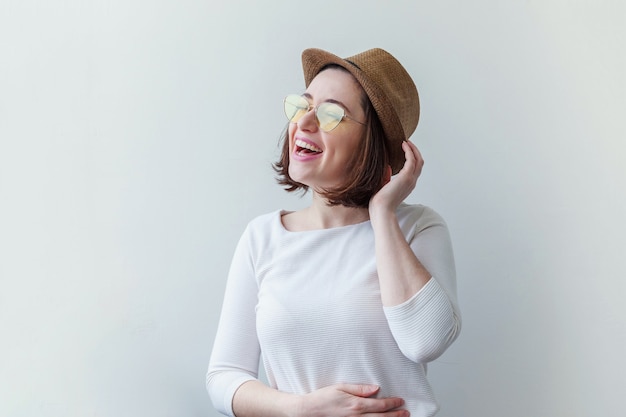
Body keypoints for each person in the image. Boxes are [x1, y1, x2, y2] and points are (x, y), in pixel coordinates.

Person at [206, 47, 461, 417]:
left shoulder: (418, 228)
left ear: (370, 143)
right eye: (303, 105)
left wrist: (382, 213)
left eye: (330, 114)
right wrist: (300, 410)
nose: (304, 122)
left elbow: (425, 341)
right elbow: (224, 376)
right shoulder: (262, 237)